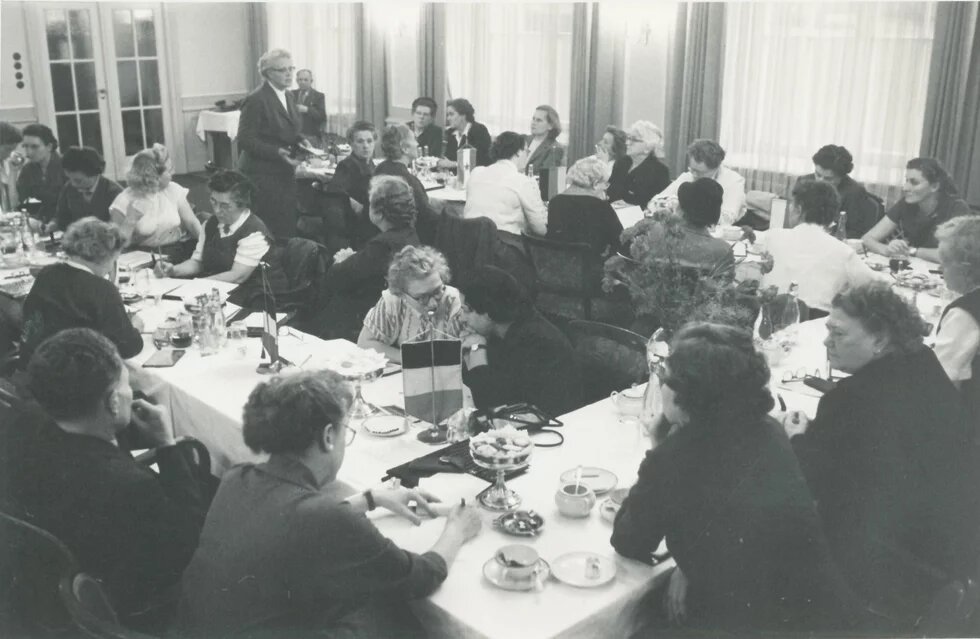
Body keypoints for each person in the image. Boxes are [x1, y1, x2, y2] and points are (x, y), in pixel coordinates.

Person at [176, 370, 482, 638]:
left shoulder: (237, 477)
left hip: (193, 629)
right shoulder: (325, 518)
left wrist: (369, 499)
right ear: (327, 437)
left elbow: (290, 521)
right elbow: (419, 577)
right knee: (391, 610)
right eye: (345, 430)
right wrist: (456, 530)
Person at [611, 323, 863, 633]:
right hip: (818, 612)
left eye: (665, 378)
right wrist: (686, 565)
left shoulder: (675, 457)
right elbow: (742, 531)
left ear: (685, 395)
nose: (662, 385)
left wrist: (658, 445)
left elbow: (628, 541)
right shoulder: (769, 431)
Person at [786, 283, 978, 620]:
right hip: (952, 550)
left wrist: (796, 438)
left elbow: (811, 482)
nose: (827, 341)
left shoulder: (849, 398)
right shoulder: (923, 361)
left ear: (879, 340)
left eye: (838, 333)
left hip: (893, 565)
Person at [9, 328, 207, 625]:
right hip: (135, 602)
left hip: (44, 577)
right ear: (114, 402)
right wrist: (167, 446)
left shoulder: (21, 422)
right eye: (126, 385)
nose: (131, 393)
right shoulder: (131, 486)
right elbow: (191, 545)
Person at [154, 170, 288, 308]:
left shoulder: (254, 232)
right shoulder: (211, 224)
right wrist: (173, 270)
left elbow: (238, 276)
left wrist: (197, 284)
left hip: (260, 298)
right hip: (224, 290)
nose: (217, 210)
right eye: (213, 201)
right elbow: (198, 262)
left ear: (242, 205)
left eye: (224, 205)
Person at [459, 266, 580, 416]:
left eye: (466, 310)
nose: (462, 318)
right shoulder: (504, 330)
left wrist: (475, 352)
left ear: (488, 313)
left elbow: (492, 401)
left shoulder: (537, 344)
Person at [20, 217, 143, 365]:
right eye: (114, 260)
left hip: (38, 363)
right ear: (104, 255)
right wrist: (135, 328)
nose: (111, 268)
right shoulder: (102, 289)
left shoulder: (47, 273)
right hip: (76, 371)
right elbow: (128, 348)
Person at [317, 176, 421, 340]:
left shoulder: (382, 245)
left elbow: (337, 276)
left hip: (371, 315)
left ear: (378, 214)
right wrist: (354, 259)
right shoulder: (409, 235)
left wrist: (341, 261)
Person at [761, 180, 881, 312]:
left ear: (799, 210)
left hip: (768, 317)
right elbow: (878, 286)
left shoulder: (771, 237)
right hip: (815, 321)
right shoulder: (843, 252)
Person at [237, 48, 305, 239]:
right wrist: (277, 152)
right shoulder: (256, 99)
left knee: (285, 222)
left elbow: (287, 129)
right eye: (282, 70)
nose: (289, 74)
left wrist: (301, 139)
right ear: (268, 73)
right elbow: (245, 139)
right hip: (260, 175)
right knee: (267, 227)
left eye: (291, 68)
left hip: (283, 171)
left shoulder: (288, 95)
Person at [358, 246, 464, 364]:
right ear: (402, 295)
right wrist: (413, 360)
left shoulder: (455, 301)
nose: (433, 303)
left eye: (438, 291)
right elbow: (365, 344)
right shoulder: (392, 301)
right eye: (422, 297)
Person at [862, 157, 973, 262]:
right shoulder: (906, 203)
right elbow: (867, 238)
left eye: (914, 183)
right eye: (906, 181)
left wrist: (911, 251)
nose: (905, 188)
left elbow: (955, 255)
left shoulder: (957, 208)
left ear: (934, 186)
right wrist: (887, 250)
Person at [109, 144, 201, 256]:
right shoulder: (124, 200)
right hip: (142, 256)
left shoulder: (173, 189)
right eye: (169, 170)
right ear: (153, 176)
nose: (173, 173)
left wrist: (206, 245)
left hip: (176, 251)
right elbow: (117, 246)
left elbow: (192, 223)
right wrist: (130, 220)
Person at [630, 178, 734, 276]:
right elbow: (724, 286)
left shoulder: (656, 234)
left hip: (657, 289)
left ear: (681, 208)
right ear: (715, 213)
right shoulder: (722, 251)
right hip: (699, 290)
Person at [934, 215, 980, 432]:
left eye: (944, 263)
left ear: (965, 268)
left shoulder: (965, 313)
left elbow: (940, 377)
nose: (939, 268)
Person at [463, 131, 547, 237]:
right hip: (503, 244)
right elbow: (541, 229)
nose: (527, 156)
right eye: (527, 151)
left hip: (469, 240)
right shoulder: (523, 181)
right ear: (518, 152)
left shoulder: (476, 172)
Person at [653, 139, 746, 226]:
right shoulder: (689, 175)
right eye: (692, 169)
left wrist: (682, 208)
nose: (694, 174)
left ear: (716, 168)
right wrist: (667, 205)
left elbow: (727, 219)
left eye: (699, 172)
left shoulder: (734, 181)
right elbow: (655, 201)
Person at [795, 145, 882, 238]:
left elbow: (855, 232)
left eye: (828, 179)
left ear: (842, 176)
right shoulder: (804, 182)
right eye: (818, 174)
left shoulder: (855, 192)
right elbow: (795, 218)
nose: (820, 181)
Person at [374, 123, 438, 243]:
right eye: (414, 139)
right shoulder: (408, 180)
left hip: (381, 234)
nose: (417, 144)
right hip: (408, 240)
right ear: (404, 148)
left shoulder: (380, 168)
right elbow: (428, 217)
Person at [547, 156, 622, 255]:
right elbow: (619, 238)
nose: (606, 188)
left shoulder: (555, 201)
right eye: (605, 184)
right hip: (592, 262)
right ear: (595, 184)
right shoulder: (601, 206)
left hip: (559, 260)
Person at [328, 120, 377, 245]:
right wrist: (359, 208)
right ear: (351, 144)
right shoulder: (346, 166)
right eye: (360, 141)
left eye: (369, 141)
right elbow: (336, 194)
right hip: (357, 225)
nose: (366, 146)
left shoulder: (371, 165)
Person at [54, 146, 123, 231]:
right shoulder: (68, 188)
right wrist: (53, 225)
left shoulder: (114, 193)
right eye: (69, 178)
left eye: (78, 180)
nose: (73, 184)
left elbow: (117, 230)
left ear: (94, 174)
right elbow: (61, 219)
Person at [606, 120, 671, 210]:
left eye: (634, 140)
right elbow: (609, 192)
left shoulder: (660, 171)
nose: (627, 143)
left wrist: (631, 208)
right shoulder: (621, 163)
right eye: (628, 138)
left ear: (648, 146)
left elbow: (658, 206)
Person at [15, 123, 63, 224]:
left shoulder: (65, 167)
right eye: (25, 146)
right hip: (38, 224)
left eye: (34, 147)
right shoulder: (27, 170)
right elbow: (23, 203)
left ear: (49, 146)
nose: (28, 153)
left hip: (64, 224)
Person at [439, 98, 492, 169]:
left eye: (451, 114)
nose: (448, 118)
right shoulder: (450, 133)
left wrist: (454, 164)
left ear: (463, 115)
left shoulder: (479, 130)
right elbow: (448, 159)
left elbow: (482, 161)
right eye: (447, 115)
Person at [288, 69, 326, 147]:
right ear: (297, 81)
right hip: (293, 135)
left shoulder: (318, 96)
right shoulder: (291, 94)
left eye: (306, 80)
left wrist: (307, 110)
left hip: (310, 136)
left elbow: (322, 116)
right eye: (300, 79)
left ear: (311, 81)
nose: (302, 82)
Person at [525, 105, 565, 171]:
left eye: (539, 120)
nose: (533, 123)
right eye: (533, 119)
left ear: (550, 126)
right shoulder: (524, 139)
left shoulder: (555, 149)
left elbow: (546, 176)